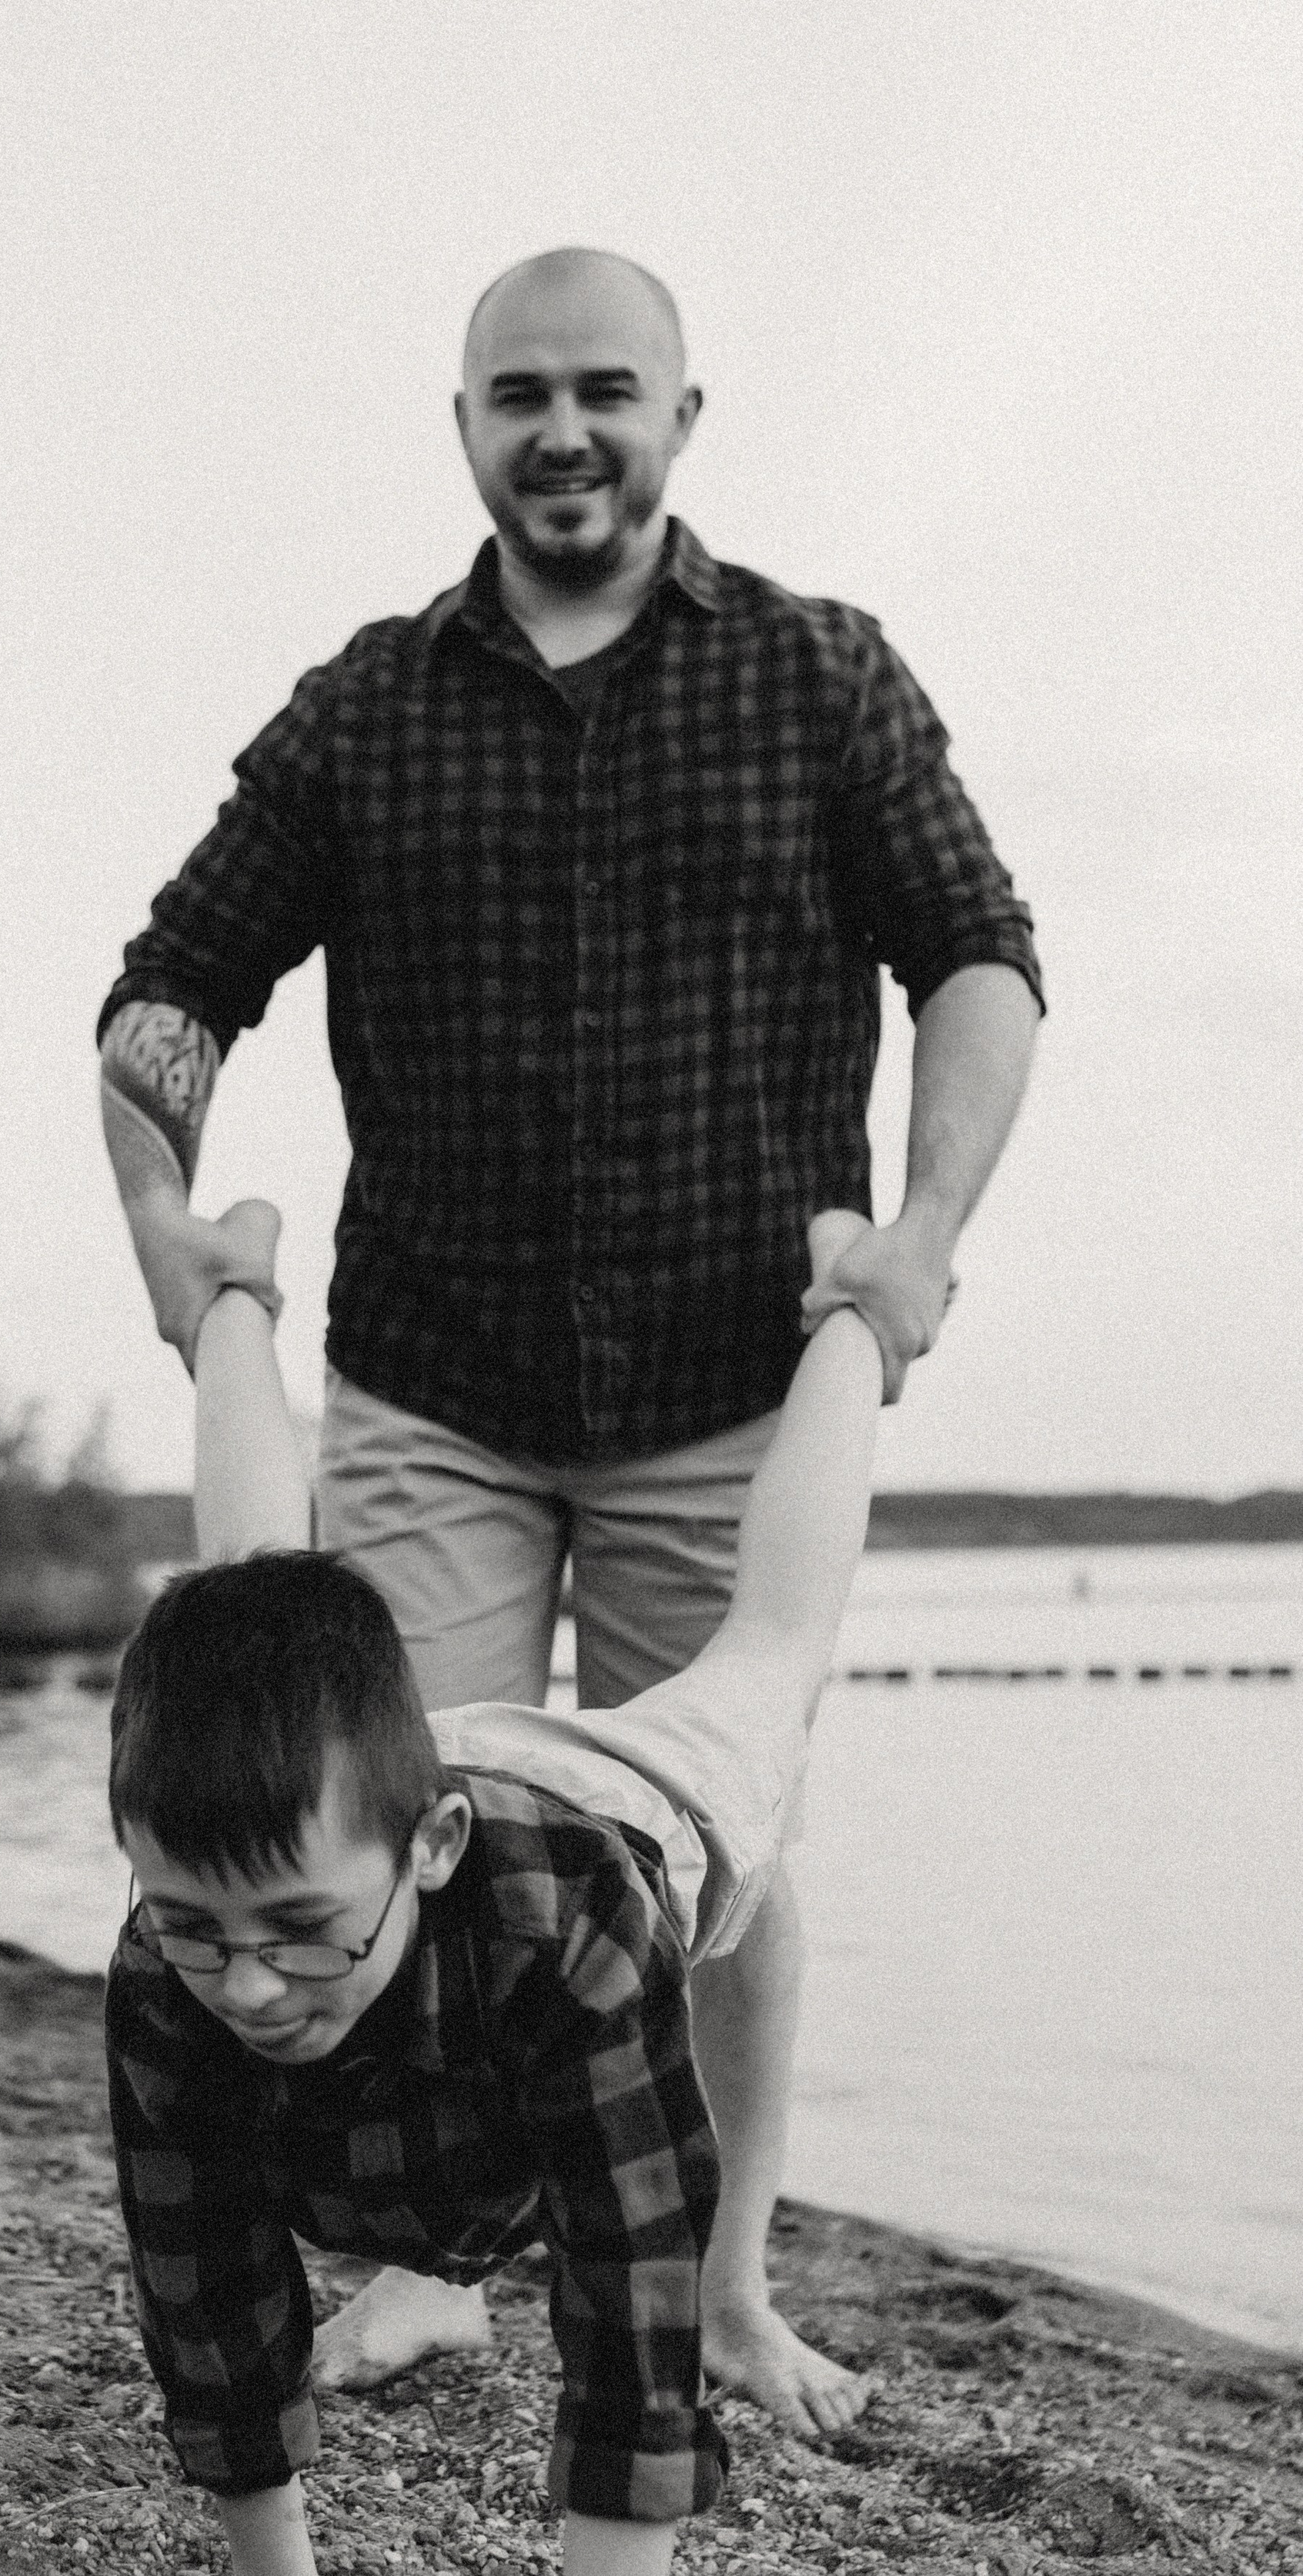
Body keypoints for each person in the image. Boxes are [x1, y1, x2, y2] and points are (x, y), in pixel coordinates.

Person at [98, 246, 1044, 2438]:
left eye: (607, 388)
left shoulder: (820, 678)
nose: (564, 428)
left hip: (729, 1372)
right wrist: (163, 1208)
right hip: (438, 1383)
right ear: (464, 429)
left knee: (723, 1856)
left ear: (683, 416)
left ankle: (723, 2286)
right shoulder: (364, 707)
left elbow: (977, 959)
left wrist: (922, 1231)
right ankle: (434, 2266)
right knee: (399, 1837)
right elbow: (173, 988)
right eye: (518, 393)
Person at [105, 1203, 886, 2576]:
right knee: (257, 1592)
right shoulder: (199, 1936)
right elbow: (205, 2272)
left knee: (775, 1640)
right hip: (350, 1804)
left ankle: (857, 1313)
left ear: (429, 1855)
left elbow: (625, 2305)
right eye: (194, 1932)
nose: (244, 1987)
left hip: (641, 1797)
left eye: (296, 1948)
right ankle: (227, 1287)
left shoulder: (565, 1937)